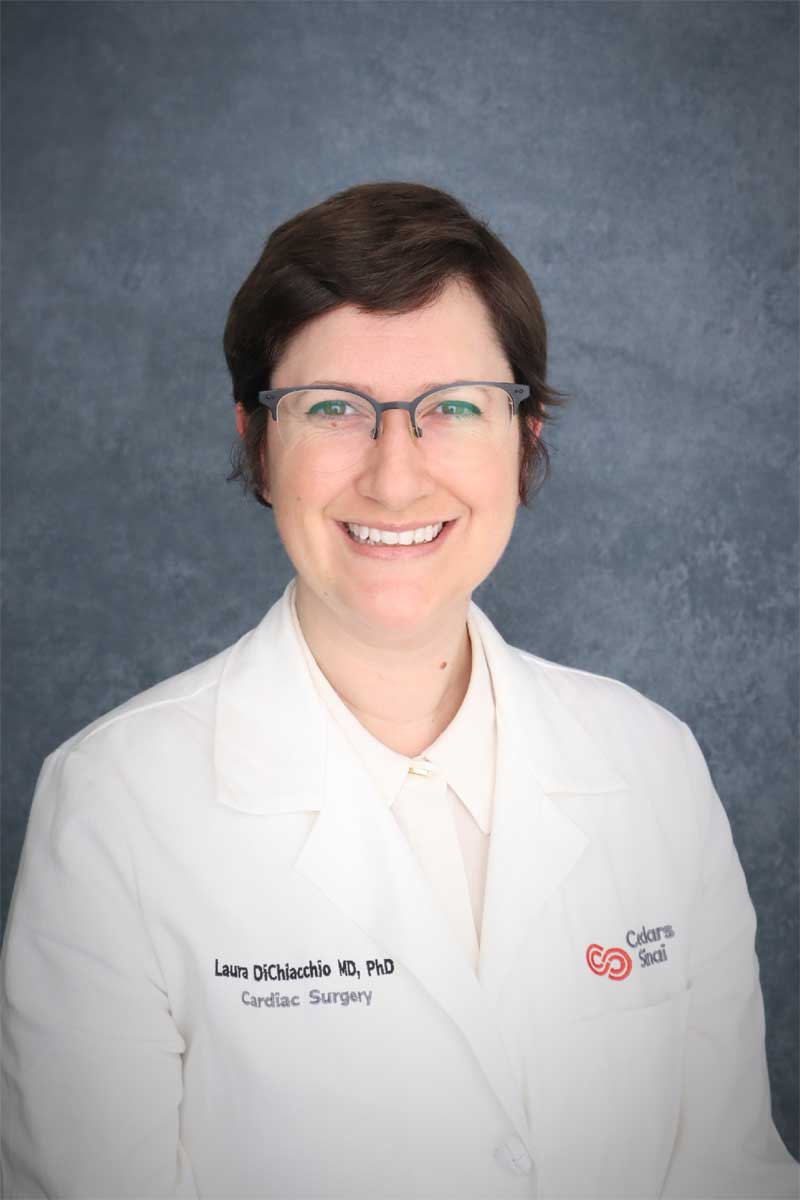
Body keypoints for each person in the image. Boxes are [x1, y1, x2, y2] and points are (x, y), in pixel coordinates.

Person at [1, 181, 796, 1200]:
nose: (392, 475)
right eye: (331, 408)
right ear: (254, 439)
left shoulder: (650, 763)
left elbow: (730, 1175)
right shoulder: (114, 804)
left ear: (527, 438)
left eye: (452, 408)